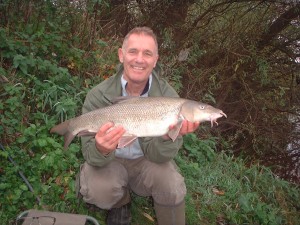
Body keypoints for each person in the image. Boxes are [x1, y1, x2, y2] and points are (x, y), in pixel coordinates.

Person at [77, 26, 200, 225]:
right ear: (121, 55)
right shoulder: (98, 95)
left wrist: (168, 137)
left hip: (146, 161)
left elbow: (160, 156)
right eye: (133, 51)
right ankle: (121, 203)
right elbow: (90, 156)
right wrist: (101, 148)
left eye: (147, 53)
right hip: (111, 162)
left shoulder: (169, 97)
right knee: (98, 188)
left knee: (172, 185)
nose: (139, 59)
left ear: (155, 60)